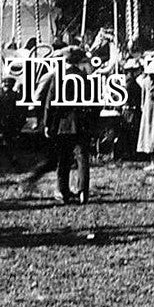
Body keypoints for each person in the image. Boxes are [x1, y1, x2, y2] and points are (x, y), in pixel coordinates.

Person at [38, 48, 97, 204]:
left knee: (63, 159)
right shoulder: (85, 77)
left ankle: (63, 192)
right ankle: (83, 191)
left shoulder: (59, 77)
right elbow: (94, 102)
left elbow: (50, 103)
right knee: (82, 159)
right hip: (81, 123)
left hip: (63, 124)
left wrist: (47, 123)